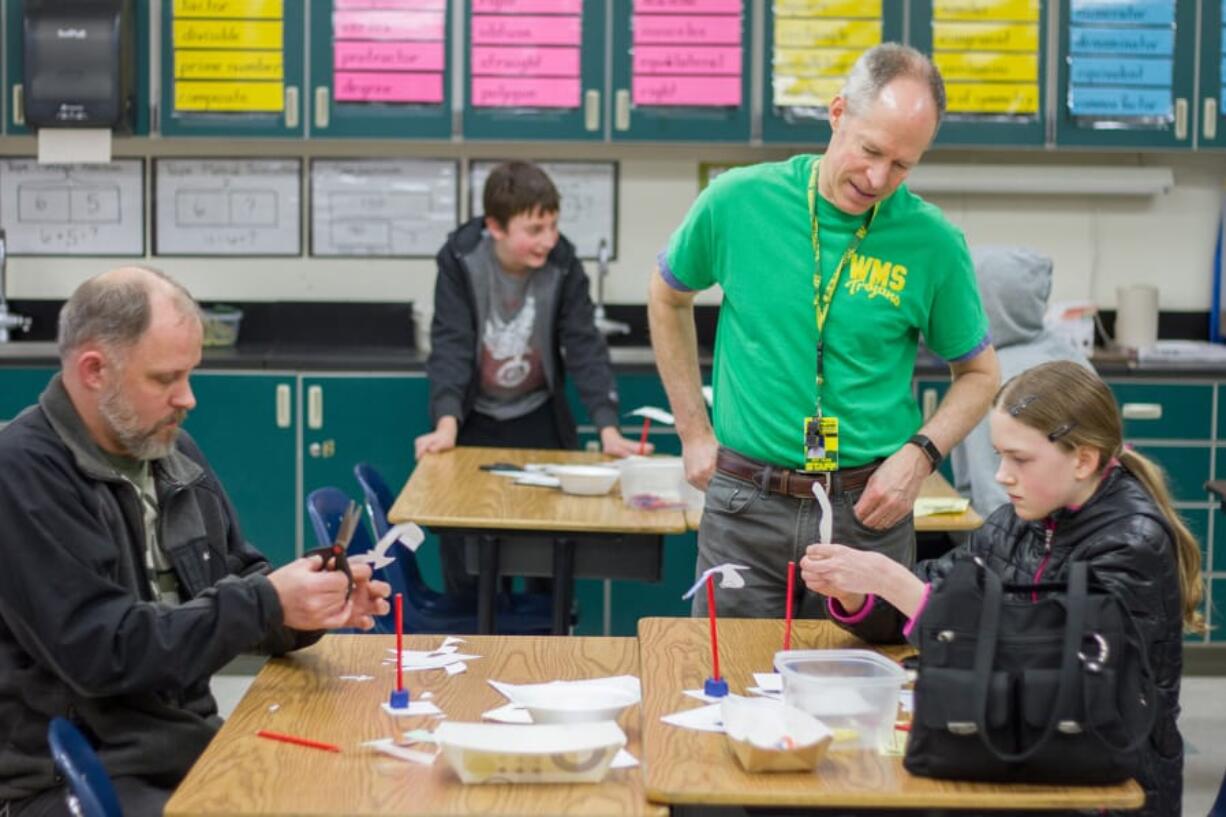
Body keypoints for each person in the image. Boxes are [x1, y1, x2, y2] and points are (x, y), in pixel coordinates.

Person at [0, 267, 390, 817]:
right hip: (78, 776)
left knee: (353, 786)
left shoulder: (170, 450)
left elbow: (238, 583)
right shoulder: (23, 473)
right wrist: (266, 601)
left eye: (191, 374)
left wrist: (308, 603)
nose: (188, 399)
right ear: (94, 370)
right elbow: (102, 651)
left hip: (180, 744)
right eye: (165, 379)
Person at [648, 43, 1000, 619]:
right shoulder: (739, 201)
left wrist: (919, 457)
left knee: (861, 697)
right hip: (745, 505)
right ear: (838, 114)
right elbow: (667, 296)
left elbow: (981, 375)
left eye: (903, 165)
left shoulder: (933, 242)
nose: (879, 178)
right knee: (730, 693)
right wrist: (693, 431)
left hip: (869, 513)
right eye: (870, 150)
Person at [802, 361, 1203, 817]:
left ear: (1084, 459)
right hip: (1022, 755)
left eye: (1021, 459)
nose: (1002, 476)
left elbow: (1050, 665)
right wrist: (861, 594)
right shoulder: (1021, 519)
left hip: (1097, 787)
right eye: (999, 457)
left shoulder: (1133, 544)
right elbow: (942, 593)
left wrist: (892, 581)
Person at [417, 160, 649, 598]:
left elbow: (584, 346)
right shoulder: (461, 260)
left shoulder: (563, 264)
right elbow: (450, 343)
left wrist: (608, 427)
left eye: (553, 226)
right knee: (473, 566)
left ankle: (545, 647)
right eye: (535, 229)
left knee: (549, 563)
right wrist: (446, 421)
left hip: (539, 420)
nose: (548, 240)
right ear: (496, 227)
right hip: (474, 424)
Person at [951, 245, 1093, 517]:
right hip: (1085, 529)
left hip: (1017, 539)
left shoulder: (988, 376)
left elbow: (988, 494)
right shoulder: (1073, 359)